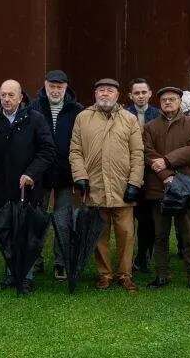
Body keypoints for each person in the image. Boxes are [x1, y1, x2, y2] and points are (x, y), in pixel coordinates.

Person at [70, 78, 144, 292]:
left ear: (117, 95)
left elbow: (137, 154)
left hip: (123, 188)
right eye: (101, 90)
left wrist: (134, 183)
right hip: (95, 186)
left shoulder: (129, 119)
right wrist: (80, 176)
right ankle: (104, 275)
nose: (105, 94)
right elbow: (75, 151)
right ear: (95, 94)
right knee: (99, 236)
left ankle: (125, 274)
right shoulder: (83, 118)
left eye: (109, 91)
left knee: (126, 234)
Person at [0, 79, 55, 295]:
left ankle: (25, 276)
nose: (7, 99)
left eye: (11, 95)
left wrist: (31, 173)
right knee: (6, 230)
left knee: (26, 232)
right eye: (3, 95)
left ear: (20, 97)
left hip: (27, 188)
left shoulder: (35, 119)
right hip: (2, 187)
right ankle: (11, 273)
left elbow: (47, 150)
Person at [141, 87, 190, 292]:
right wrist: (165, 175)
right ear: (160, 103)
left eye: (173, 99)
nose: (168, 102)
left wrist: (167, 160)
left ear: (180, 102)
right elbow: (147, 152)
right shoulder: (151, 127)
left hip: (185, 188)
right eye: (164, 100)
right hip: (158, 188)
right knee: (160, 235)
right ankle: (162, 275)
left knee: (189, 235)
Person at [29, 69, 83, 281]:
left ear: (66, 87)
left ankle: (61, 263)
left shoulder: (76, 110)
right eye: (52, 86)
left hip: (66, 174)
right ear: (45, 85)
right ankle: (35, 261)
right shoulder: (34, 107)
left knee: (63, 221)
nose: (55, 90)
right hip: (39, 175)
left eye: (59, 86)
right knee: (37, 219)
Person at [126, 78, 160, 273]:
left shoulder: (157, 114)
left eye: (143, 92)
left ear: (149, 93)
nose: (140, 96)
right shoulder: (123, 114)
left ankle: (144, 255)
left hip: (151, 175)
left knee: (149, 220)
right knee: (130, 219)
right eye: (136, 93)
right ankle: (128, 259)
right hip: (129, 174)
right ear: (131, 96)